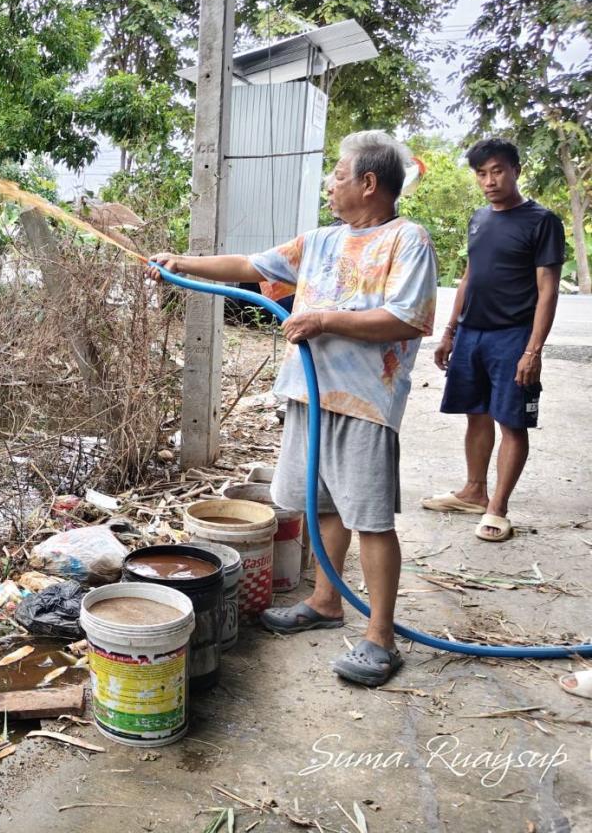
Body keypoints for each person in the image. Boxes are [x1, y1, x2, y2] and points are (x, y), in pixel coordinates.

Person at [149, 131, 438, 687]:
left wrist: (324, 319)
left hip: (365, 402)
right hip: (307, 393)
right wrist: (177, 262)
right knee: (321, 505)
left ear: (368, 183)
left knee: (370, 519)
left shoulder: (407, 240)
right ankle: (326, 601)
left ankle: (381, 637)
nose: (331, 184)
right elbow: (247, 264)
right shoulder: (321, 242)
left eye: (338, 175)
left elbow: (408, 318)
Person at [420, 137, 564, 542]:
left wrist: (533, 350)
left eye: (497, 170)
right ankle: (473, 491)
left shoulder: (541, 221)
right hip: (472, 333)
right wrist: (450, 331)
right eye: (481, 173)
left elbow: (547, 289)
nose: (489, 180)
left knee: (511, 421)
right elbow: (468, 276)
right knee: (475, 413)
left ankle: (498, 508)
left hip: (514, 336)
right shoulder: (479, 218)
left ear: (516, 170)